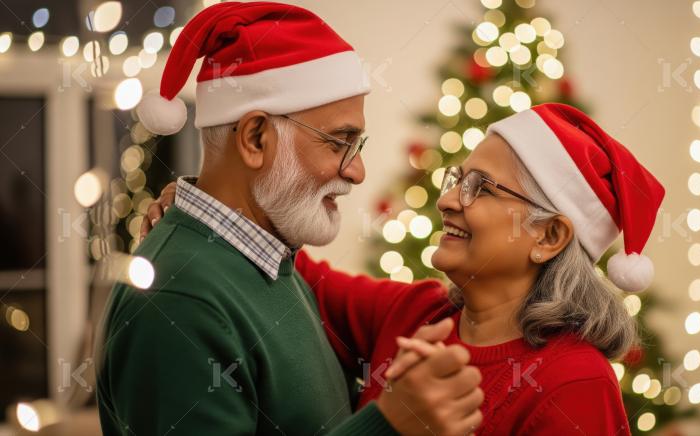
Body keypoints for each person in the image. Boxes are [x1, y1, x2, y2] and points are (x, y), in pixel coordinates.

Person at [143, 103, 666, 434]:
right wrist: (207, 207)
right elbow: (290, 271)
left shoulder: (574, 385)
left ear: (548, 237)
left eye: (480, 188)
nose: (447, 201)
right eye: (459, 178)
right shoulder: (419, 314)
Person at [96, 3, 483, 435]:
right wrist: (389, 425)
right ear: (256, 138)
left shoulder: (269, 263)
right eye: (340, 142)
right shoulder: (180, 301)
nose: (357, 171)